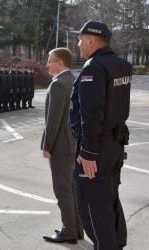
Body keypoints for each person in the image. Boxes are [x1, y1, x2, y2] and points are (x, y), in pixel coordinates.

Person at [70, 21, 131, 250]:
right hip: (115, 144)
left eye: (80, 39)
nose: (78, 44)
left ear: (91, 40)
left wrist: (87, 152)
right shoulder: (121, 65)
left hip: (96, 148)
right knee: (109, 199)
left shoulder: (94, 68)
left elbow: (91, 114)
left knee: (92, 208)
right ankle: (117, 243)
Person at [41, 48, 83, 244]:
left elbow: (53, 120)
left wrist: (47, 145)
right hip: (74, 143)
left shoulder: (58, 84)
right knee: (72, 189)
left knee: (62, 190)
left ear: (60, 63)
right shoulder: (74, 80)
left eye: (50, 61)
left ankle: (69, 231)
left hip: (61, 146)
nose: (47, 64)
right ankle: (77, 228)